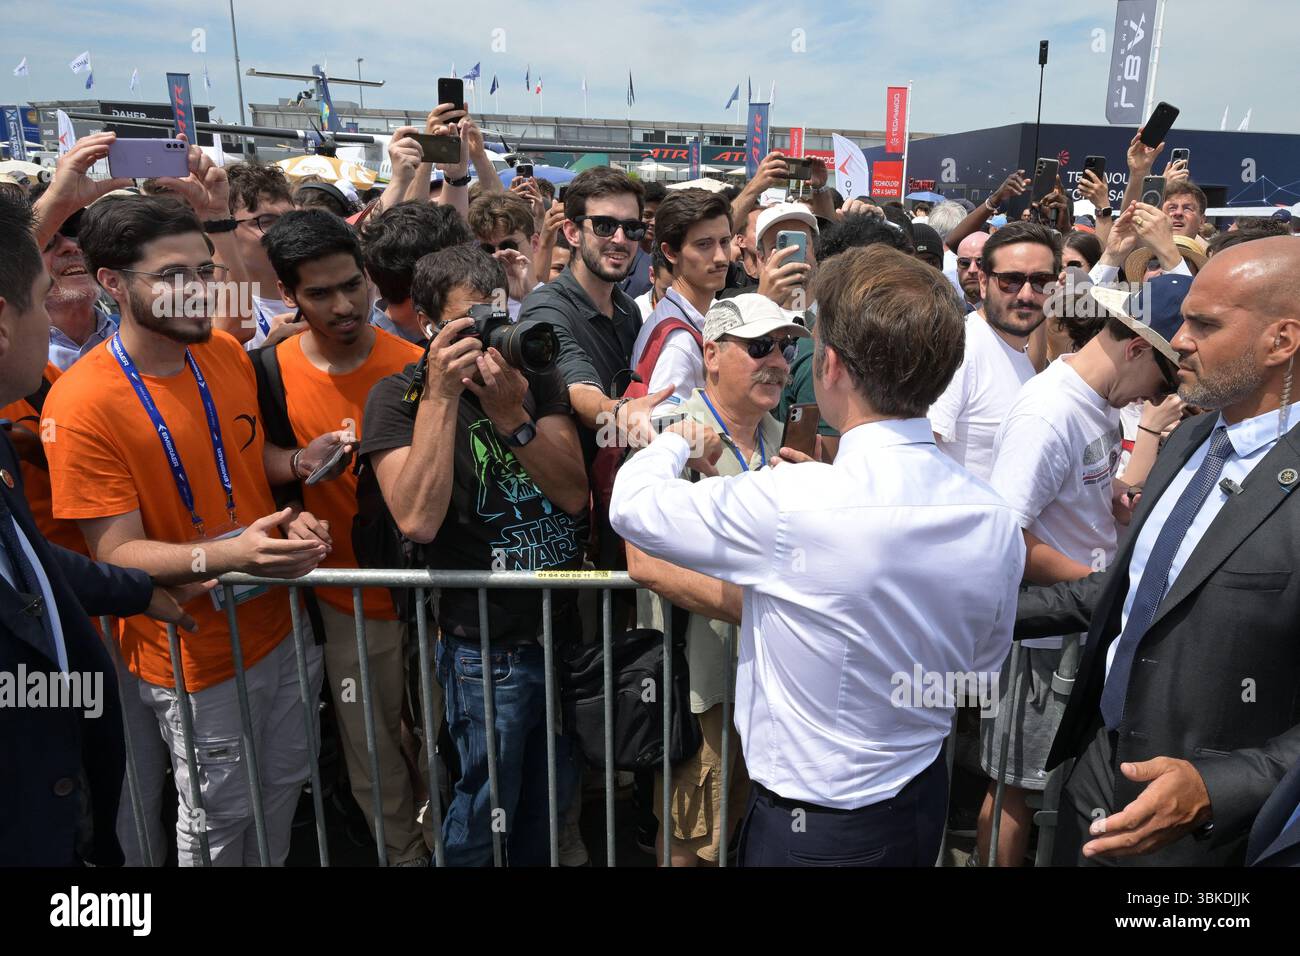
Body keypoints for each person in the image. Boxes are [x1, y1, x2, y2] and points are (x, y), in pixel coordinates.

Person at [610, 244, 1024, 866]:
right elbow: (978, 666)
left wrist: (670, 441)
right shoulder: (992, 514)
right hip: (918, 799)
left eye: (793, 347)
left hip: (817, 827)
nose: (780, 361)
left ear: (829, 365)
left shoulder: (796, 501)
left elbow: (633, 508)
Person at [42, 187, 352, 867]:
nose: (199, 292)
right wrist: (232, 554)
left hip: (279, 627)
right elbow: (117, 554)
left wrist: (298, 463)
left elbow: (245, 459)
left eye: (205, 272)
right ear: (111, 284)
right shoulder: (83, 401)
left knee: (281, 789)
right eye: (174, 277)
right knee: (217, 818)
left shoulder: (221, 352)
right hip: (192, 654)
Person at [1015, 236, 1300, 865]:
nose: (1182, 340)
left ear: (1282, 341)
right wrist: (973, 611)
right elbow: (1128, 592)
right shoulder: (1190, 438)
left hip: (1204, 832)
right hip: (1097, 767)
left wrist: (1218, 788)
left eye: (1204, 324)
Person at [361, 244, 589, 866]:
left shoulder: (532, 375)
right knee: (483, 804)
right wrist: (439, 396)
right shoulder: (396, 398)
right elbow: (416, 518)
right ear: (432, 328)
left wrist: (513, 415)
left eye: (496, 316)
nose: (490, 338)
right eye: (470, 324)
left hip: (561, 631)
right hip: (483, 648)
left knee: (552, 799)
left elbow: (572, 493)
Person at [0, 190, 196, 866]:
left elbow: (28, 559)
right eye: (41, 285)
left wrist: (133, 591)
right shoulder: (77, 394)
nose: (63, 274)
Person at [976, 274, 1188, 867]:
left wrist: (1114, 494)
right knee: (1017, 787)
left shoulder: (1089, 400)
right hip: (1044, 644)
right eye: (1163, 378)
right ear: (1137, 347)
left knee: (1039, 785)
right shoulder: (1049, 412)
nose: (1157, 395)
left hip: (1071, 632)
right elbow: (1008, 537)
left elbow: (1063, 502)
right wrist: (1104, 591)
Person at [260, 209, 430, 866]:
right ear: (289, 297)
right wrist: (297, 467)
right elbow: (252, 459)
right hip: (346, 605)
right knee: (372, 750)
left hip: (432, 598)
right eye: (320, 293)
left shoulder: (419, 365)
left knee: (444, 744)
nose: (343, 305)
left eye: (352, 284)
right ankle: (404, 857)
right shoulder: (266, 371)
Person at [628, 294, 803, 866]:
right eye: (759, 347)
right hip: (701, 683)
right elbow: (643, 561)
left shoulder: (782, 437)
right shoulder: (671, 430)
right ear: (712, 354)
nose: (777, 360)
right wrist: (756, 609)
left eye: (786, 346)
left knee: (739, 830)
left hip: (771, 683)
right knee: (691, 843)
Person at [516, 167, 668, 567]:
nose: (620, 239)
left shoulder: (627, 311)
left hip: (615, 514)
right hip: (561, 531)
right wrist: (622, 412)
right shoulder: (546, 306)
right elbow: (578, 388)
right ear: (571, 232)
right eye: (604, 226)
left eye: (632, 229)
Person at [928, 222, 1058, 481]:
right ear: (985, 283)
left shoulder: (1017, 350)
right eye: (1011, 280)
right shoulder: (962, 349)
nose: (1027, 294)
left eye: (1042, 281)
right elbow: (918, 452)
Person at [629, 188, 733, 411]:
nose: (721, 257)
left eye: (724, 242)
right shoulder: (679, 343)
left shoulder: (682, 321)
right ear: (670, 253)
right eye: (704, 244)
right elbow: (661, 430)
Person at [361, 201, 474, 344]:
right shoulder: (371, 352)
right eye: (460, 265)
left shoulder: (465, 333)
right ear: (429, 280)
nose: (472, 271)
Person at [225, 163, 297, 348]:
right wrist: (269, 354)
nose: (285, 230)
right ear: (226, 228)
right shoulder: (214, 306)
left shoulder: (320, 289)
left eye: (290, 218)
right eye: (266, 221)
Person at [468, 193, 544, 317]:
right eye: (487, 249)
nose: (499, 254)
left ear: (534, 243)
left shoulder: (556, 299)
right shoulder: (473, 305)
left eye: (508, 246)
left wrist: (526, 297)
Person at [620, 181, 667, 300]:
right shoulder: (616, 253)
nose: (654, 222)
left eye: (659, 216)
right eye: (647, 215)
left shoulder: (667, 262)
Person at [955, 232, 989, 311]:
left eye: (981, 262)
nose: (972, 270)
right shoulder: (947, 313)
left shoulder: (1008, 317)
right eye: (964, 263)